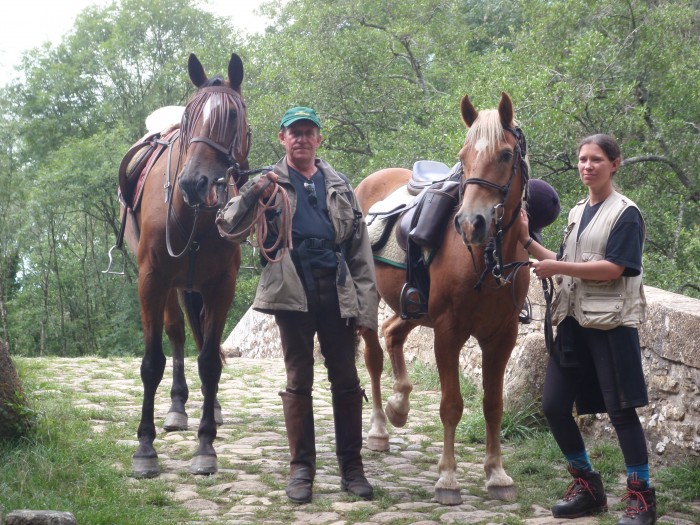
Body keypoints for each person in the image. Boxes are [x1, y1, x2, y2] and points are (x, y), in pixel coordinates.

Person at [216, 106, 377, 504]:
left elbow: (359, 251)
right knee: (297, 380)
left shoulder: (338, 183)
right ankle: (301, 470)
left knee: (346, 380)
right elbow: (228, 227)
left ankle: (352, 469)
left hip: (337, 291)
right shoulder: (267, 184)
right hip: (292, 292)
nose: (302, 138)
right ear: (282, 138)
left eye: (309, 132)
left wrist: (366, 309)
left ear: (319, 139)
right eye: (295, 132)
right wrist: (254, 191)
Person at [519, 134, 656, 525]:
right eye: (582, 159)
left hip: (612, 325)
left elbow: (615, 268)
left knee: (622, 413)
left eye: (596, 159)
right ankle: (588, 487)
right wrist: (527, 239)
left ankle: (641, 497)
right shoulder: (579, 211)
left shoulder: (625, 213)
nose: (587, 166)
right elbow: (563, 260)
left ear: (615, 164)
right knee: (553, 406)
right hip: (574, 324)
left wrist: (558, 268)